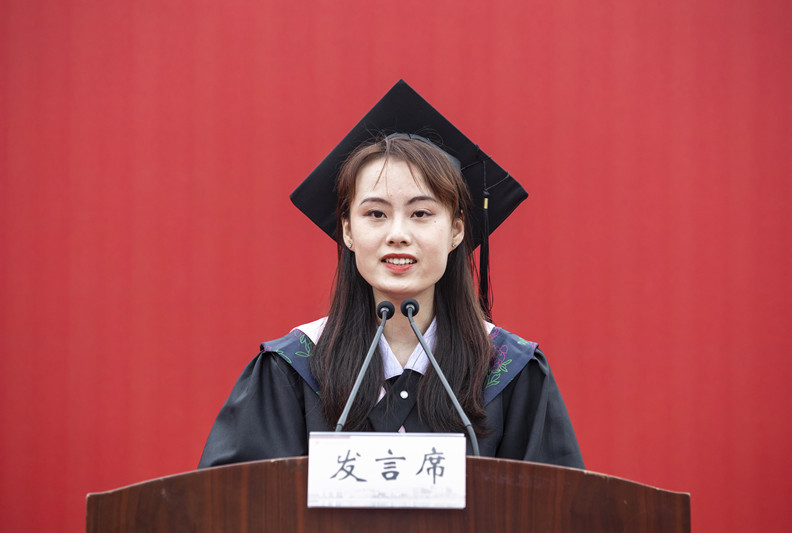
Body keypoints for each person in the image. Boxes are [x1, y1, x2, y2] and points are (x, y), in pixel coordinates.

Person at [198, 80, 584, 469]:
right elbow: (237, 497)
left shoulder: (508, 370)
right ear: (348, 231)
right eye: (376, 213)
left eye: (421, 213)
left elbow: (554, 499)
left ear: (456, 230)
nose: (398, 234)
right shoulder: (292, 369)